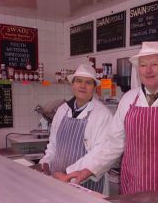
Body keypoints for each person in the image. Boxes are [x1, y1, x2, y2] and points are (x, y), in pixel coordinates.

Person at [64, 42, 158, 203]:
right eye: (143, 65)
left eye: (154, 64)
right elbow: (112, 144)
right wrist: (85, 170)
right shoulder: (128, 99)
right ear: (138, 70)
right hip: (133, 189)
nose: (148, 70)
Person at [38, 64, 112, 193]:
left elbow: (99, 153)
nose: (82, 86)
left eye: (88, 82)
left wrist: (67, 174)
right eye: (79, 81)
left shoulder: (102, 114)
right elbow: (53, 145)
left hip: (86, 184)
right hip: (57, 180)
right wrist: (45, 162)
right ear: (72, 85)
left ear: (94, 87)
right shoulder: (62, 110)